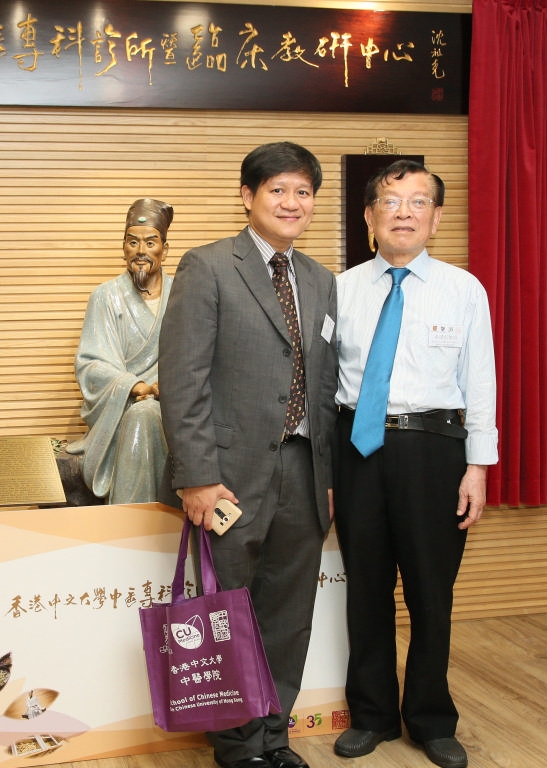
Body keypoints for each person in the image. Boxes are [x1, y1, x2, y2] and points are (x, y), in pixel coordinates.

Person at [158, 142, 338, 768]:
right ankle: (238, 748)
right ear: (247, 196)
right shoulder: (207, 266)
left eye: (303, 192)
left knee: (288, 614)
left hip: (303, 471)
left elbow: (324, 386)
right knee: (227, 612)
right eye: (277, 190)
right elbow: (182, 379)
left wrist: (328, 476)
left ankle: (273, 736)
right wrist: (197, 476)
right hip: (228, 477)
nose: (292, 203)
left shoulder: (320, 280)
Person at [331, 159, 498, 768]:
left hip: (434, 450)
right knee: (366, 589)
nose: (404, 213)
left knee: (432, 592)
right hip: (357, 449)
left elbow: (480, 382)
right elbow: (322, 384)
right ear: (369, 216)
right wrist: (325, 472)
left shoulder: (464, 289)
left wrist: (478, 467)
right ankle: (371, 715)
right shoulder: (339, 289)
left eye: (418, 202)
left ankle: (431, 718)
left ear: (436, 217)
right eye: (391, 202)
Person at [66, 198, 174, 504]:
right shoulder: (105, 297)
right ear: (123, 248)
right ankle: (135, 522)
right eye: (132, 242)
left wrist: (170, 385)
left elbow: (201, 357)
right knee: (142, 414)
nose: (141, 251)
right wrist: (134, 385)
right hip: (121, 408)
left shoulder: (184, 294)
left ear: (165, 249)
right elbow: (91, 365)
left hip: (174, 407)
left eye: (150, 242)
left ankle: (134, 522)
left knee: (148, 413)